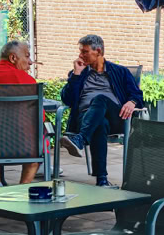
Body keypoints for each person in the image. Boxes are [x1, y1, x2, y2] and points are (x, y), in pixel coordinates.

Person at [60, 35, 144, 186]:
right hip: (86, 118)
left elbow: (137, 95)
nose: (80, 55)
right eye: (80, 51)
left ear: (98, 51)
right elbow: (67, 99)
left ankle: (81, 139)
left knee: (100, 99)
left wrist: (132, 102)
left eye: (85, 52)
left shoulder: (120, 71)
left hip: (116, 117)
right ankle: (102, 180)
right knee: (100, 124)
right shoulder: (79, 73)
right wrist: (76, 75)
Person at [0, 38, 42, 184]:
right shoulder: (27, 81)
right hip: (25, 144)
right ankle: (23, 187)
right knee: (41, 137)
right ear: (13, 58)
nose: (30, 62)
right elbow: (38, 117)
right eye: (27, 56)